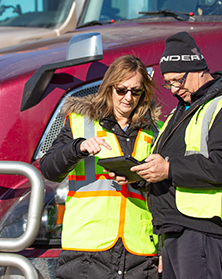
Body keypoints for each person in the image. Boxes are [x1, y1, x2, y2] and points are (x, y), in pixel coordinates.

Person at [128, 31, 222, 279]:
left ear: (199, 69)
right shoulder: (182, 112)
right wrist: (141, 174)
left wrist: (168, 169)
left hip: (200, 230)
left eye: (178, 80)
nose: (174, 89)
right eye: (169, 83)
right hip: (174, 227)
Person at [39, 55, 161, 278]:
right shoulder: (80, 122)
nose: (128, 98)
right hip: (87, 248)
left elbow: (165, 193)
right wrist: (78, 148)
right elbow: (49, 169)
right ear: (109, 87)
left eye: (136, 91)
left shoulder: (155, 131)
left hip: (138, 250)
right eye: (121, 90)